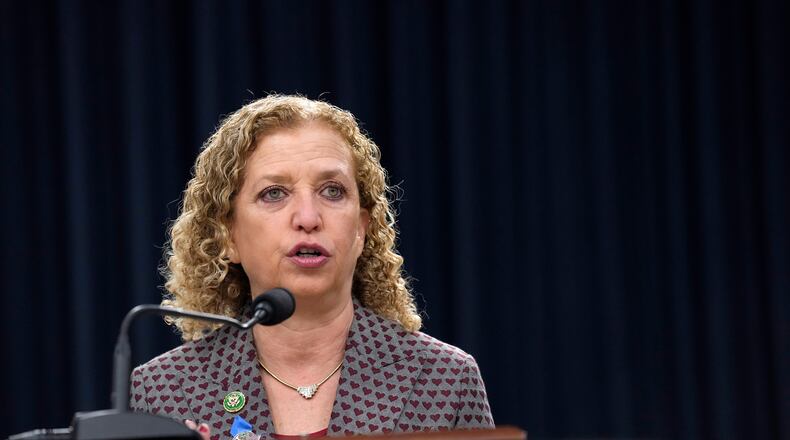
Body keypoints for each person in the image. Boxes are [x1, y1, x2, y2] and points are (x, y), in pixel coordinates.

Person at [130, 95, 494, 440]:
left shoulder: (445, 380)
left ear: (362, 230)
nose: (308, 217)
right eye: (274, 193)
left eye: (332, 191)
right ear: (228, 237)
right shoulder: (166, 389)